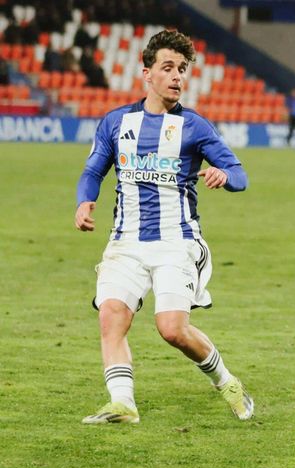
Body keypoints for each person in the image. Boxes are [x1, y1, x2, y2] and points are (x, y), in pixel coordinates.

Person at [74, 30, 253, 425]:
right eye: (168, 68)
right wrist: (84, 201)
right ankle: (123, 404)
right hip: (125, 242)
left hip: (177, 241)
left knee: (171, 329)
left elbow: (241, 175)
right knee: (111, 315)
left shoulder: (195, 127)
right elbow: (92, 170)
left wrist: (224, 175)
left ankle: (226, 381)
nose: (177, 77)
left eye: (182, 69)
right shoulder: (117, 122)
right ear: (147, 73)